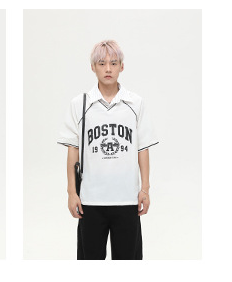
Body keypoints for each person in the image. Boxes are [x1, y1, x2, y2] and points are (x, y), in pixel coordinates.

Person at [58, 39, 157, 260]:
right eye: (102, 63)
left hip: (127, 199)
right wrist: (72, 192)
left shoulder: (135, 103)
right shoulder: (80, 104)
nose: (108, 69)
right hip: (90, 201)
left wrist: (145, 189)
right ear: (92, 67)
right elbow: (73, 151)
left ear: (122, 66)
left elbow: (142, 149)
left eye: (113, 63)